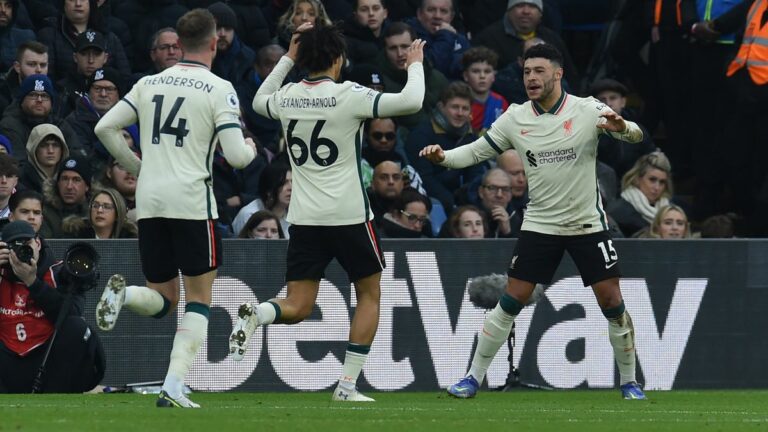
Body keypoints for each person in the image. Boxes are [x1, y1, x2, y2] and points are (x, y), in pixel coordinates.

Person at [418, 44, 647, 400]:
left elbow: (635, 135)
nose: (531, 78)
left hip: (586, 223)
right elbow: (478, 150)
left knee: (611, 300)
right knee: (512, 298)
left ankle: (630, 382)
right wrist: (443, 156)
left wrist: (623, 126)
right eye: (526, 72)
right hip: (540, 224)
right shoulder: (516, 117)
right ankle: (472, 378)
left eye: (539, 71)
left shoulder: (587, 109)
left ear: (558, 74)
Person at [230, 21, 425, 402]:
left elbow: (256, 102)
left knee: (297, 306)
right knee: (369, 295)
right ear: (338, 59)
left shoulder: (286, 97)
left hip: (305, 218)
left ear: (304, 58)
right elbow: (412, 101)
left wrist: (288, 56)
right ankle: (347, 386)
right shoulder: (349, 94)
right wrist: (414, 64)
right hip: (349, 215)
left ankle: (260, 313)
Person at [93, 8, 257, 408]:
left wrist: (137, 167)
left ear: (178, 44)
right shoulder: (219, 88)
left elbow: (104, 128)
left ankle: (126, 294)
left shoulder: (148, 83)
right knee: (199, 299)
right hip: (191, 202)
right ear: (215, 42)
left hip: (149, 202)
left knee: (163, 298)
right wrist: (251, 149)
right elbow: (236, 157)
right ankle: (173, 383)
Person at [0, 220, 105, 393]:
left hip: (47, 360)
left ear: (38, 243)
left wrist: (32, 282)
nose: (22, 251)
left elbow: (73, 314)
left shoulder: (60, 273)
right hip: (7, 361)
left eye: (27, 244)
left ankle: (58, 394)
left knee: (78, 328)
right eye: (14, 246)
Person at [607, 151, 673, 238]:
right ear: (637, 179)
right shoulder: (618, 210)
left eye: (662, 182)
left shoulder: (672, 211)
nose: (657, 187)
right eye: (652, 180)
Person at [41, 155, 92, 239]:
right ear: (58, 183)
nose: (69, 186)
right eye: (64, 179)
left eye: (76, 180)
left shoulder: (96, 212)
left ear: (87, 186)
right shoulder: (45, 212)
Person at [461, 47, 509, 135]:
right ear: (465, 76)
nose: (482, 76)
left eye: (487, 71)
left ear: (494, 76)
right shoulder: (459, 103)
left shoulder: (501, 102)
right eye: (476, 71)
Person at [61, 187, 138, 239]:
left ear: (118, 214)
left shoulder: (130, 239)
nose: (99, 210)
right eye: (95, 205)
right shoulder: (75, 236)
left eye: (107, 206)